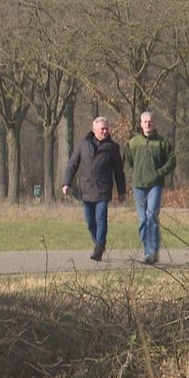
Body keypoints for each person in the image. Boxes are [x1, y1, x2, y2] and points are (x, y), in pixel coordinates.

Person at [62, 116, 126, 261]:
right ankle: (98, 243)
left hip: (103, 189)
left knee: (101, 217)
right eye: (102, 129)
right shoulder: (82, 145)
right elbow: (72, 164)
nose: (105, 131)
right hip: (86, 189)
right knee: (91, 222)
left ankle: (99, 246)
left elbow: (118, 171)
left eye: (106, 129)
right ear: (94, 130)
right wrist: (66, 183)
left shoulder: (113, 148)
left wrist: (121, 191)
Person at [124, 111, 175, 264]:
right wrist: (133, 174)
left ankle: (153, 251)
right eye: (145, 121)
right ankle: (147, 252)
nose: (148, 124)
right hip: (138, 186)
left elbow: (172, 161)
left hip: (155, 185)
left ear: (155, 123)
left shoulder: (163, 142)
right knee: (142, 220)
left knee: (151, 216)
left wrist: (160, 173)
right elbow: (127, 162)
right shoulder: (133, 143)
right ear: (140, 123)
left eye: (150, 121)